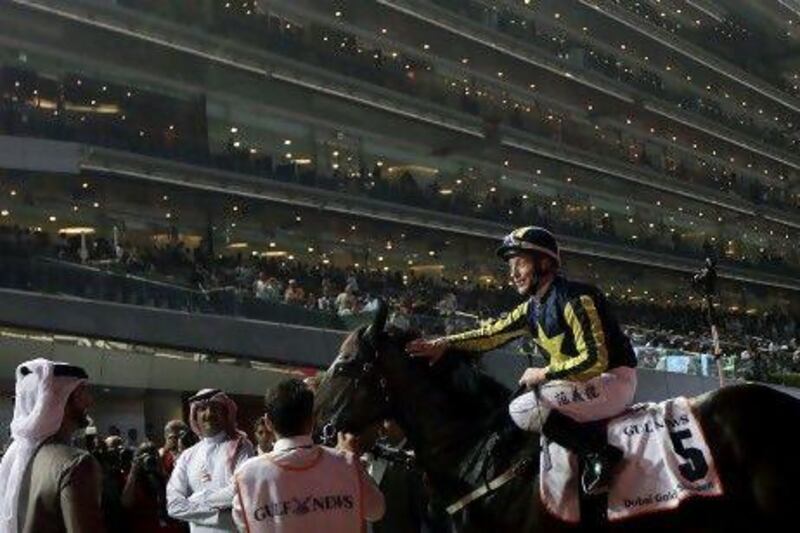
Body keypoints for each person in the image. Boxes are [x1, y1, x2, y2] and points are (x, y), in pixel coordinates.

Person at [407, 226, 638, 494]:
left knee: (523, 408)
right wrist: (443, 343)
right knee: (511, 406)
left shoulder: (576, 298)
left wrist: (544, 374)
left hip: (611, 381)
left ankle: (600, 454)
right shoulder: (532, 308)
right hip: (581, 384)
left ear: (544, 263)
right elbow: (491, 335)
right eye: (511, 266)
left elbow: (595, 360)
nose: (513, 274)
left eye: (520, 264)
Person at [232, 378, 385, 532]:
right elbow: (376, 510)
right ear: (313, 419)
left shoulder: (246, 475)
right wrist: (351, 462)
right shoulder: (346, 464)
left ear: (268, 423)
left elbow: (244, 525)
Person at [0, 358, 106, 533]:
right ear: (58, 400)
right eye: (81, 393)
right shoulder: (75, 463)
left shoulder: (14, 458)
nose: (89, 401)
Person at [167, 389, 255, 532]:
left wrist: (195, 500)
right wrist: (222, 514)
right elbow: (174, 506)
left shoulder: (241, 446)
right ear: (195, 415)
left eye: (215, 408)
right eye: (202, 409)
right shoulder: (187, 456)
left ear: (225, 414)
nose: (208, 414)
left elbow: (240, 491)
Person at [122, 442, 186, 533]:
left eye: (153, 455)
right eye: (145, 457)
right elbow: (126, 503)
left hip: (168, 526)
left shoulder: (162, 476)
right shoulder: (132, 480)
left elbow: (177, 497)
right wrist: (133, 471)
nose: (149, 460)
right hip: (144, 526)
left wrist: (161, 471)